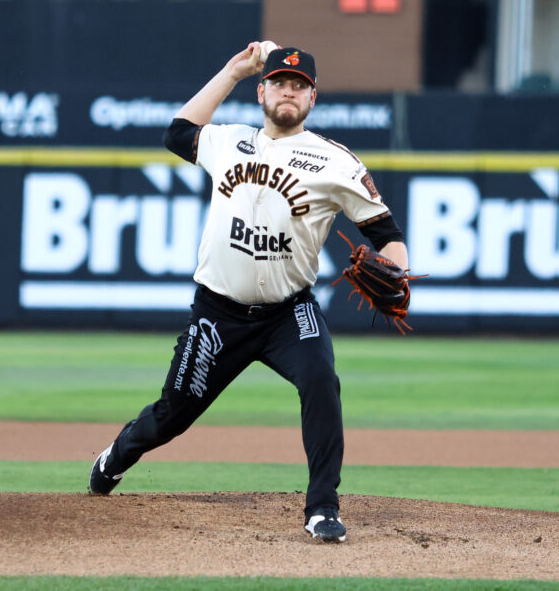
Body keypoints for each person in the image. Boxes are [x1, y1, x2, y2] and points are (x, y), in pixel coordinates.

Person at [88, 42, 411, 543]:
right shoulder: (227, 140)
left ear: (312, 99)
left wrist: (399, 272)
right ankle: (117, 455)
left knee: (322, 381)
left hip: (289, 312)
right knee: (173, 413)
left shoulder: (336, 163)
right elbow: (176, 133)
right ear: (262, 91)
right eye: (280, 82)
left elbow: (387, 235)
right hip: (218, 312)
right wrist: (233, 70)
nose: (290, 91)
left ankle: (322, 507)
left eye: (300, 86)